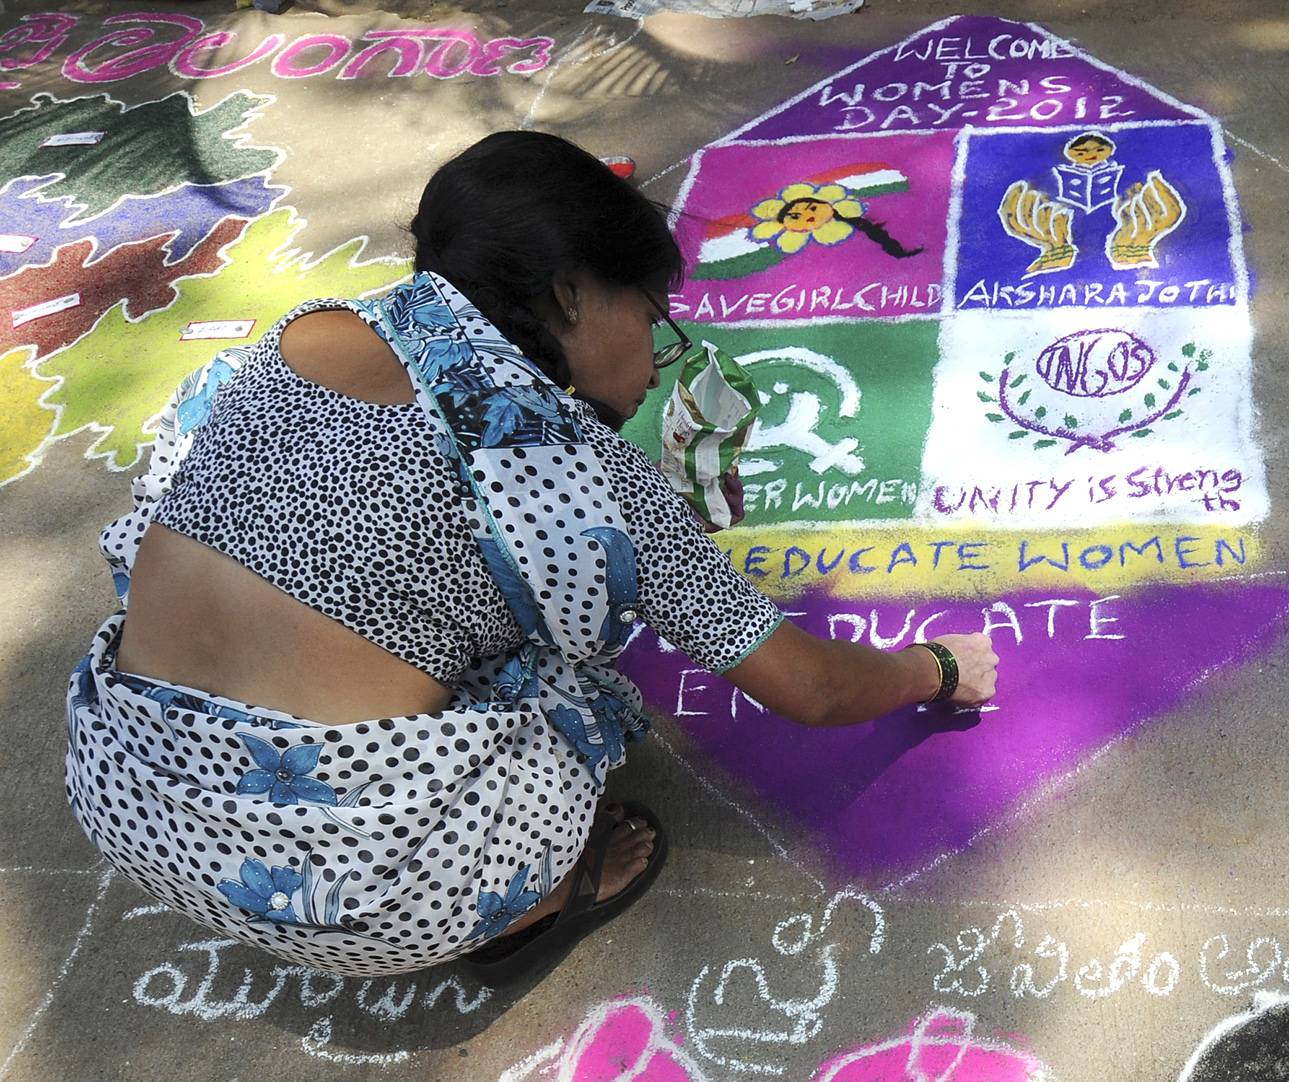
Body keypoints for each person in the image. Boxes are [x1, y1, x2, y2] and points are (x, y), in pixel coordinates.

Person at [63, 131, 998, 985]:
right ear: (569, 293)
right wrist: (937, 665)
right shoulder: (589, 483)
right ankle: (529, 905)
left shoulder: (300, 336)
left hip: (127, 790)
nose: (654, 355)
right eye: (651, 317)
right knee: (574, 684)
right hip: (351, 896)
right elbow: (813, 687)